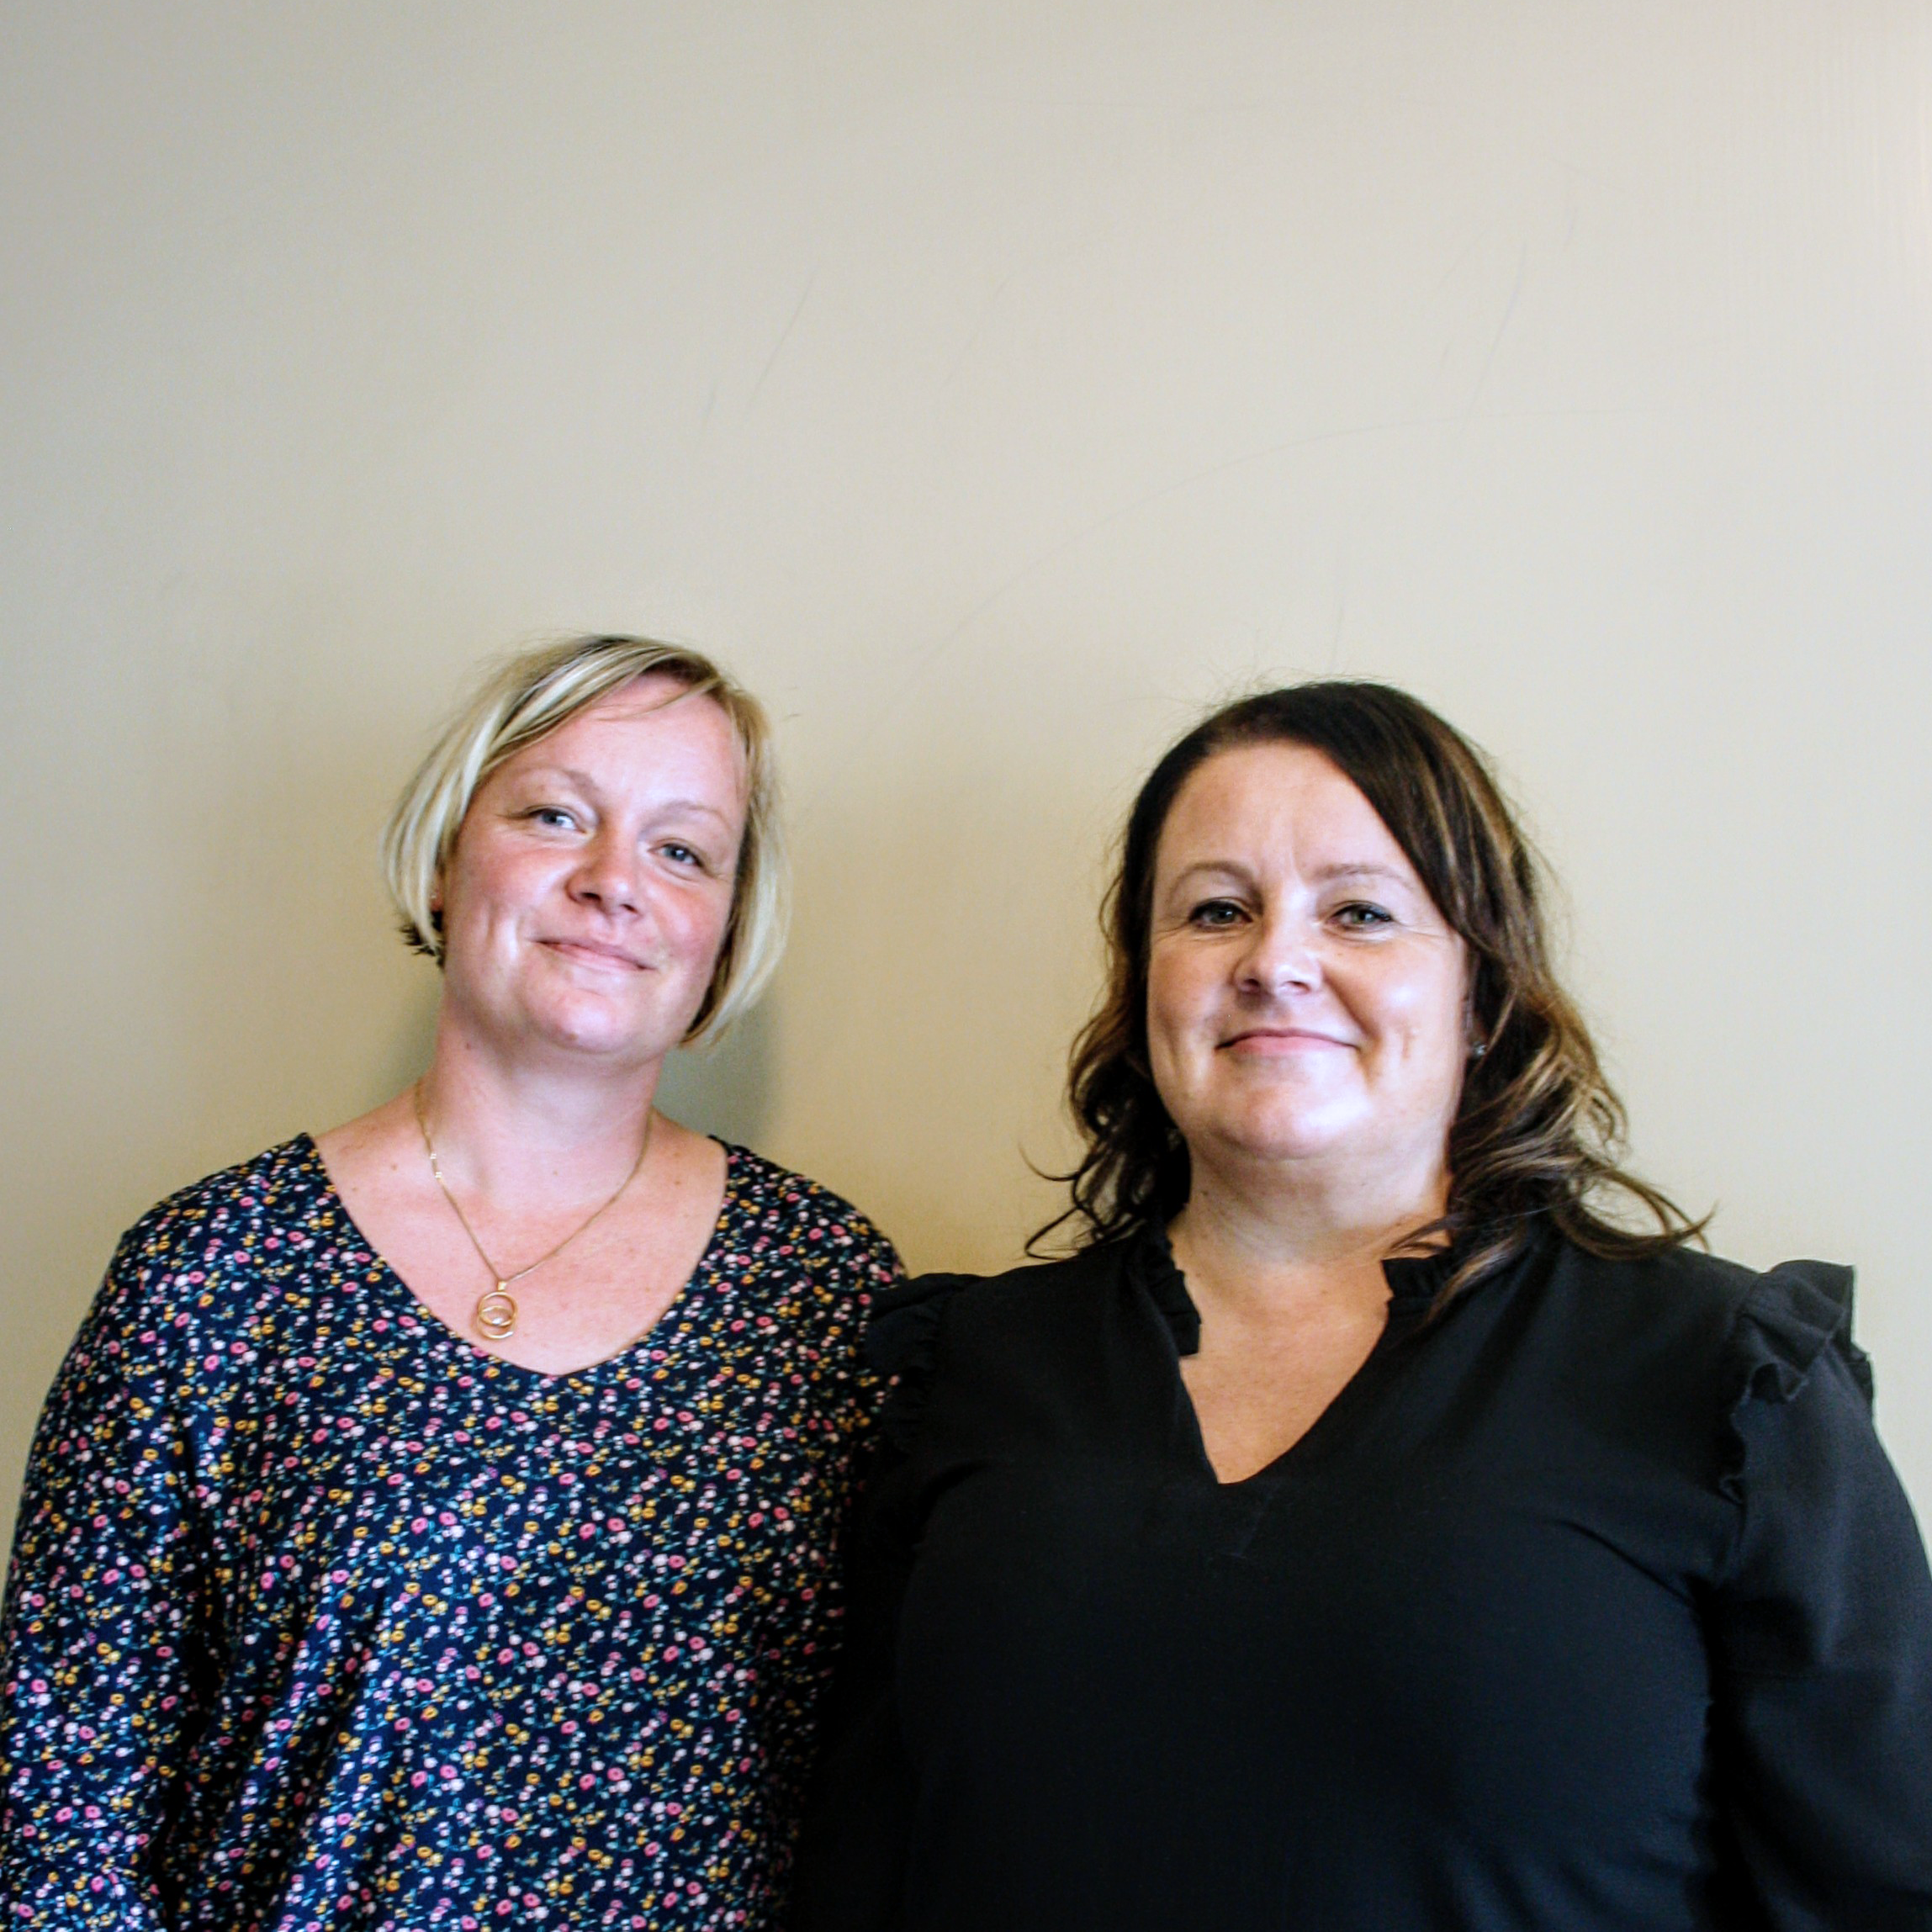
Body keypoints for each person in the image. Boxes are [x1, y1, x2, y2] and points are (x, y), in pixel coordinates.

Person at [791, 680, 1932, 1932]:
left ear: (1481, 995)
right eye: (1216, 910)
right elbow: (859, 1869)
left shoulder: (1725, 1383)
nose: (1274, 962)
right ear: (1144, 985)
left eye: (1361, 912)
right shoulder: (970, 1369)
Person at [0, 635, 900, 1930]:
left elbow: (890, 1779)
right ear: (444, 857)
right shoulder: (212, 1274)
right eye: (555, 815)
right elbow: (65, 1808)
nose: (613, 882)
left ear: (724, 931)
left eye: (682, 849)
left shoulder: (823, 1290)